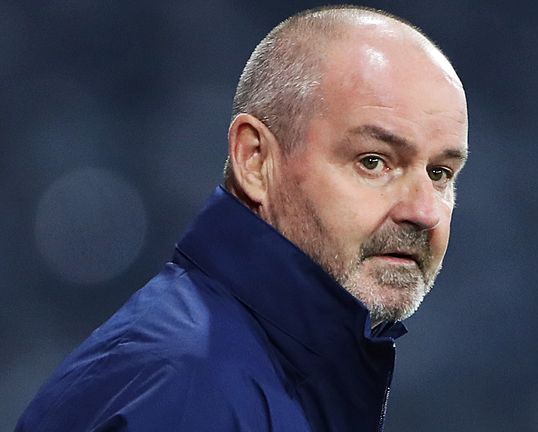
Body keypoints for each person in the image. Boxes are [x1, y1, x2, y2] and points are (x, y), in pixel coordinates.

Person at [16, 5, 468, 431]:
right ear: (255, 160)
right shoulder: (184, 392)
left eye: (440, 173)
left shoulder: (253, 373)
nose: (424, 211)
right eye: (374, 161)